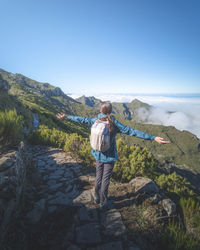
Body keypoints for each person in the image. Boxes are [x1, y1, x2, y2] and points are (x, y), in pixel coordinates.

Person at [57, 101, 170, 210]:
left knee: (98, 177)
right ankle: (103, 203)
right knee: (105, 180)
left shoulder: (95, 121)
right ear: (110, 111)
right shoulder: (113, 123)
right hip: (109, 157)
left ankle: (96, 198)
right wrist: (153, 137)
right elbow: (132, 131)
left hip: (98, 154)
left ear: (101, 110)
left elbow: (81, 119)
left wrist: (66, 117)